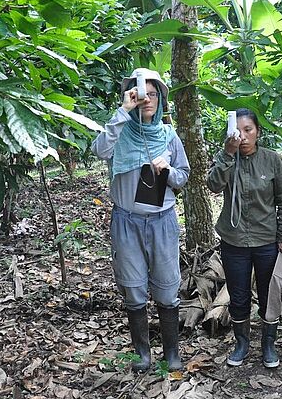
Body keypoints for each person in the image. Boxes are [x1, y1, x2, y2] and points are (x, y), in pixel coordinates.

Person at [91, 68, 190, 372]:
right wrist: (123, 111)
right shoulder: (119, 132)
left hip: (162, 221)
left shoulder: (168, 135)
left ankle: (171, 353)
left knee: (166, 287)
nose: (146, 99)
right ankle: (142, 354)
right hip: (127, 221)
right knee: (133, 288)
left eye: (152, 93)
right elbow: (98, 150)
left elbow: (183, 176)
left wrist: (167, 172)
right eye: (140, 92)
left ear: (160, 98)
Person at [207, 108, 282, 368]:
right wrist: (227, 154)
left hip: (266, 240)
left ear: (258, 132)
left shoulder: (272, 160)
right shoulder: (226, 157)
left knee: (269, 295)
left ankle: (268, 344)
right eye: (239, 131)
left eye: (249, 130)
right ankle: (242, 343)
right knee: (239, 294)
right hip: (234, 241)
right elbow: (213, 185)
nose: (243, 136)